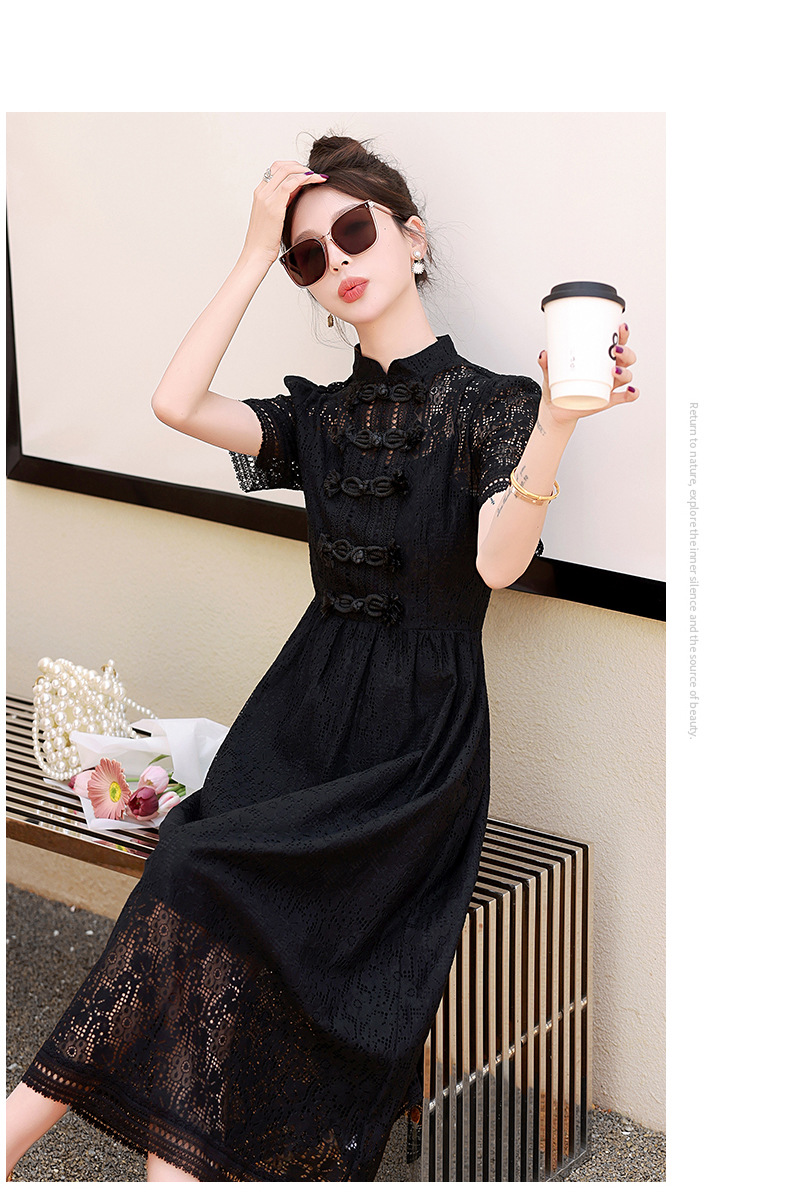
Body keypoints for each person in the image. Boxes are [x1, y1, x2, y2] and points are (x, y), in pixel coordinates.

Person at [6, 134, 638, 1183]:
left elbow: (495, 564)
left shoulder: (496, 403)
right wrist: (254, 251)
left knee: (204, 872)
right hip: (298, 713)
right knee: (201, 873)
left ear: (412, 238)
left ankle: (18, 1136)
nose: (338, 258)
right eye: (311, 254)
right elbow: (175, 403)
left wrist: (560, 425)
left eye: (355, 230)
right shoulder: (320, 416)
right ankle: (165, 1169)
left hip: (415, 743)